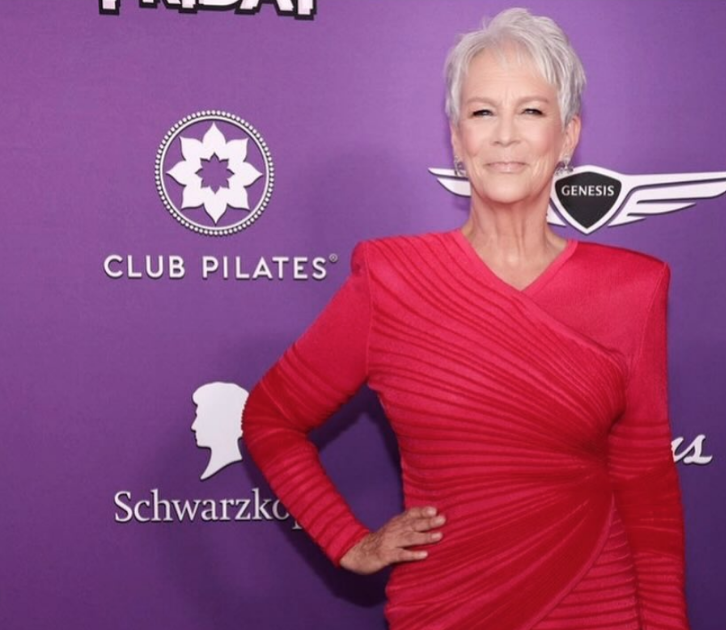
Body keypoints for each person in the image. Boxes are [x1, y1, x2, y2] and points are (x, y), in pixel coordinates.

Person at [242, 7, 691, 629]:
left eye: (530, 111)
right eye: (483, 112)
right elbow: (269, 418)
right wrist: (350, 541)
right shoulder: (392, 281)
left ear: (567, 137)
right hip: (445, 608)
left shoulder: (632, 288)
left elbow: (645, 482)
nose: (505, 135)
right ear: (458, 139)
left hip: (595, 605)